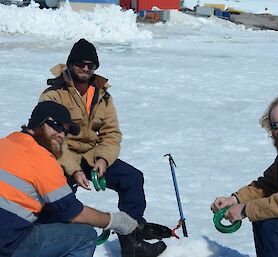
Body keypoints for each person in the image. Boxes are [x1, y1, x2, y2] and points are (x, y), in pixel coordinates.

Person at [38, 38, 169, 257]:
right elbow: (51, 139)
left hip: (90, 156)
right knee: (58, 197)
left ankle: (132, 242)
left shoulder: (102, 95)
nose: (86, 69)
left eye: (91, 65)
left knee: (132, 178)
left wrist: (103, 159)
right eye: (81, 64)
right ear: (70, 64)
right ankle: (51, 240)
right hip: (60, 156)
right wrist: (74, 170)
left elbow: (111, 133)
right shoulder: (54, 94)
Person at [0, 101, 138, 257]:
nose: (61, 135)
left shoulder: (5, 143)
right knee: (85, 236)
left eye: (65, 131)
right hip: (7, 243)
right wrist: (114, 221)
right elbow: (75, 213)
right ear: (38, 121)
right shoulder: (42, 160)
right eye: (57, 126)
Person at [211, 95, 278, 257]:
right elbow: (265, 185)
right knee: (263, 217)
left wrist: (246, 209)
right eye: (275, 125)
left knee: (272, 224)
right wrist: (234, 200)